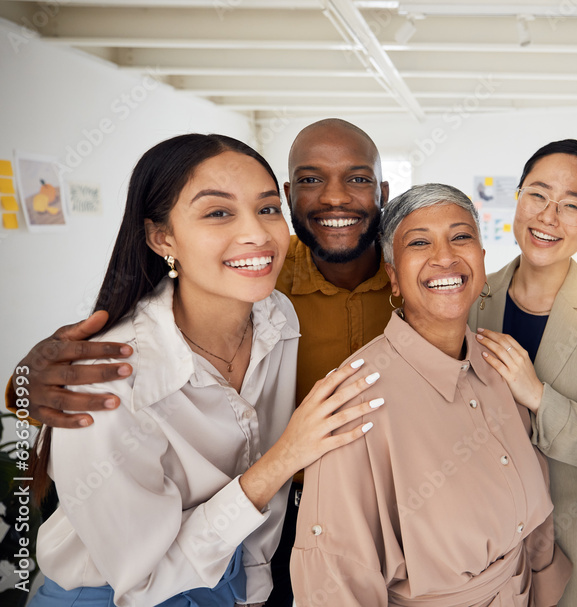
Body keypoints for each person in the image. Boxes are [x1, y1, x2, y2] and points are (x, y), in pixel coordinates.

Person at [7, 118, 395, 607]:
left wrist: (253, 589)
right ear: (161, 238)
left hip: (236, 579)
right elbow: (144, 582)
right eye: (217, 213)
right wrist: (20, 385)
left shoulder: (275, 317)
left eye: (265, 208)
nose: (254, 232)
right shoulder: (112, 378)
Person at [290, 184, 571, 606]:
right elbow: (337, 580)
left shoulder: (502, 366)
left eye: (461, 237)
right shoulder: (354, 399)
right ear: (393, 276)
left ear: (481, 258)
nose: (445, 257)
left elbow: (535, 522)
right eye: (419, 242)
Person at [468, 139, 577, 606]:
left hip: (575, 548)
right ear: (517, 197)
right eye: (538, 195)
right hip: (483, 548)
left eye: (572, 206)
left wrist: (539, 396)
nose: (548, 217)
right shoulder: (469, 300)